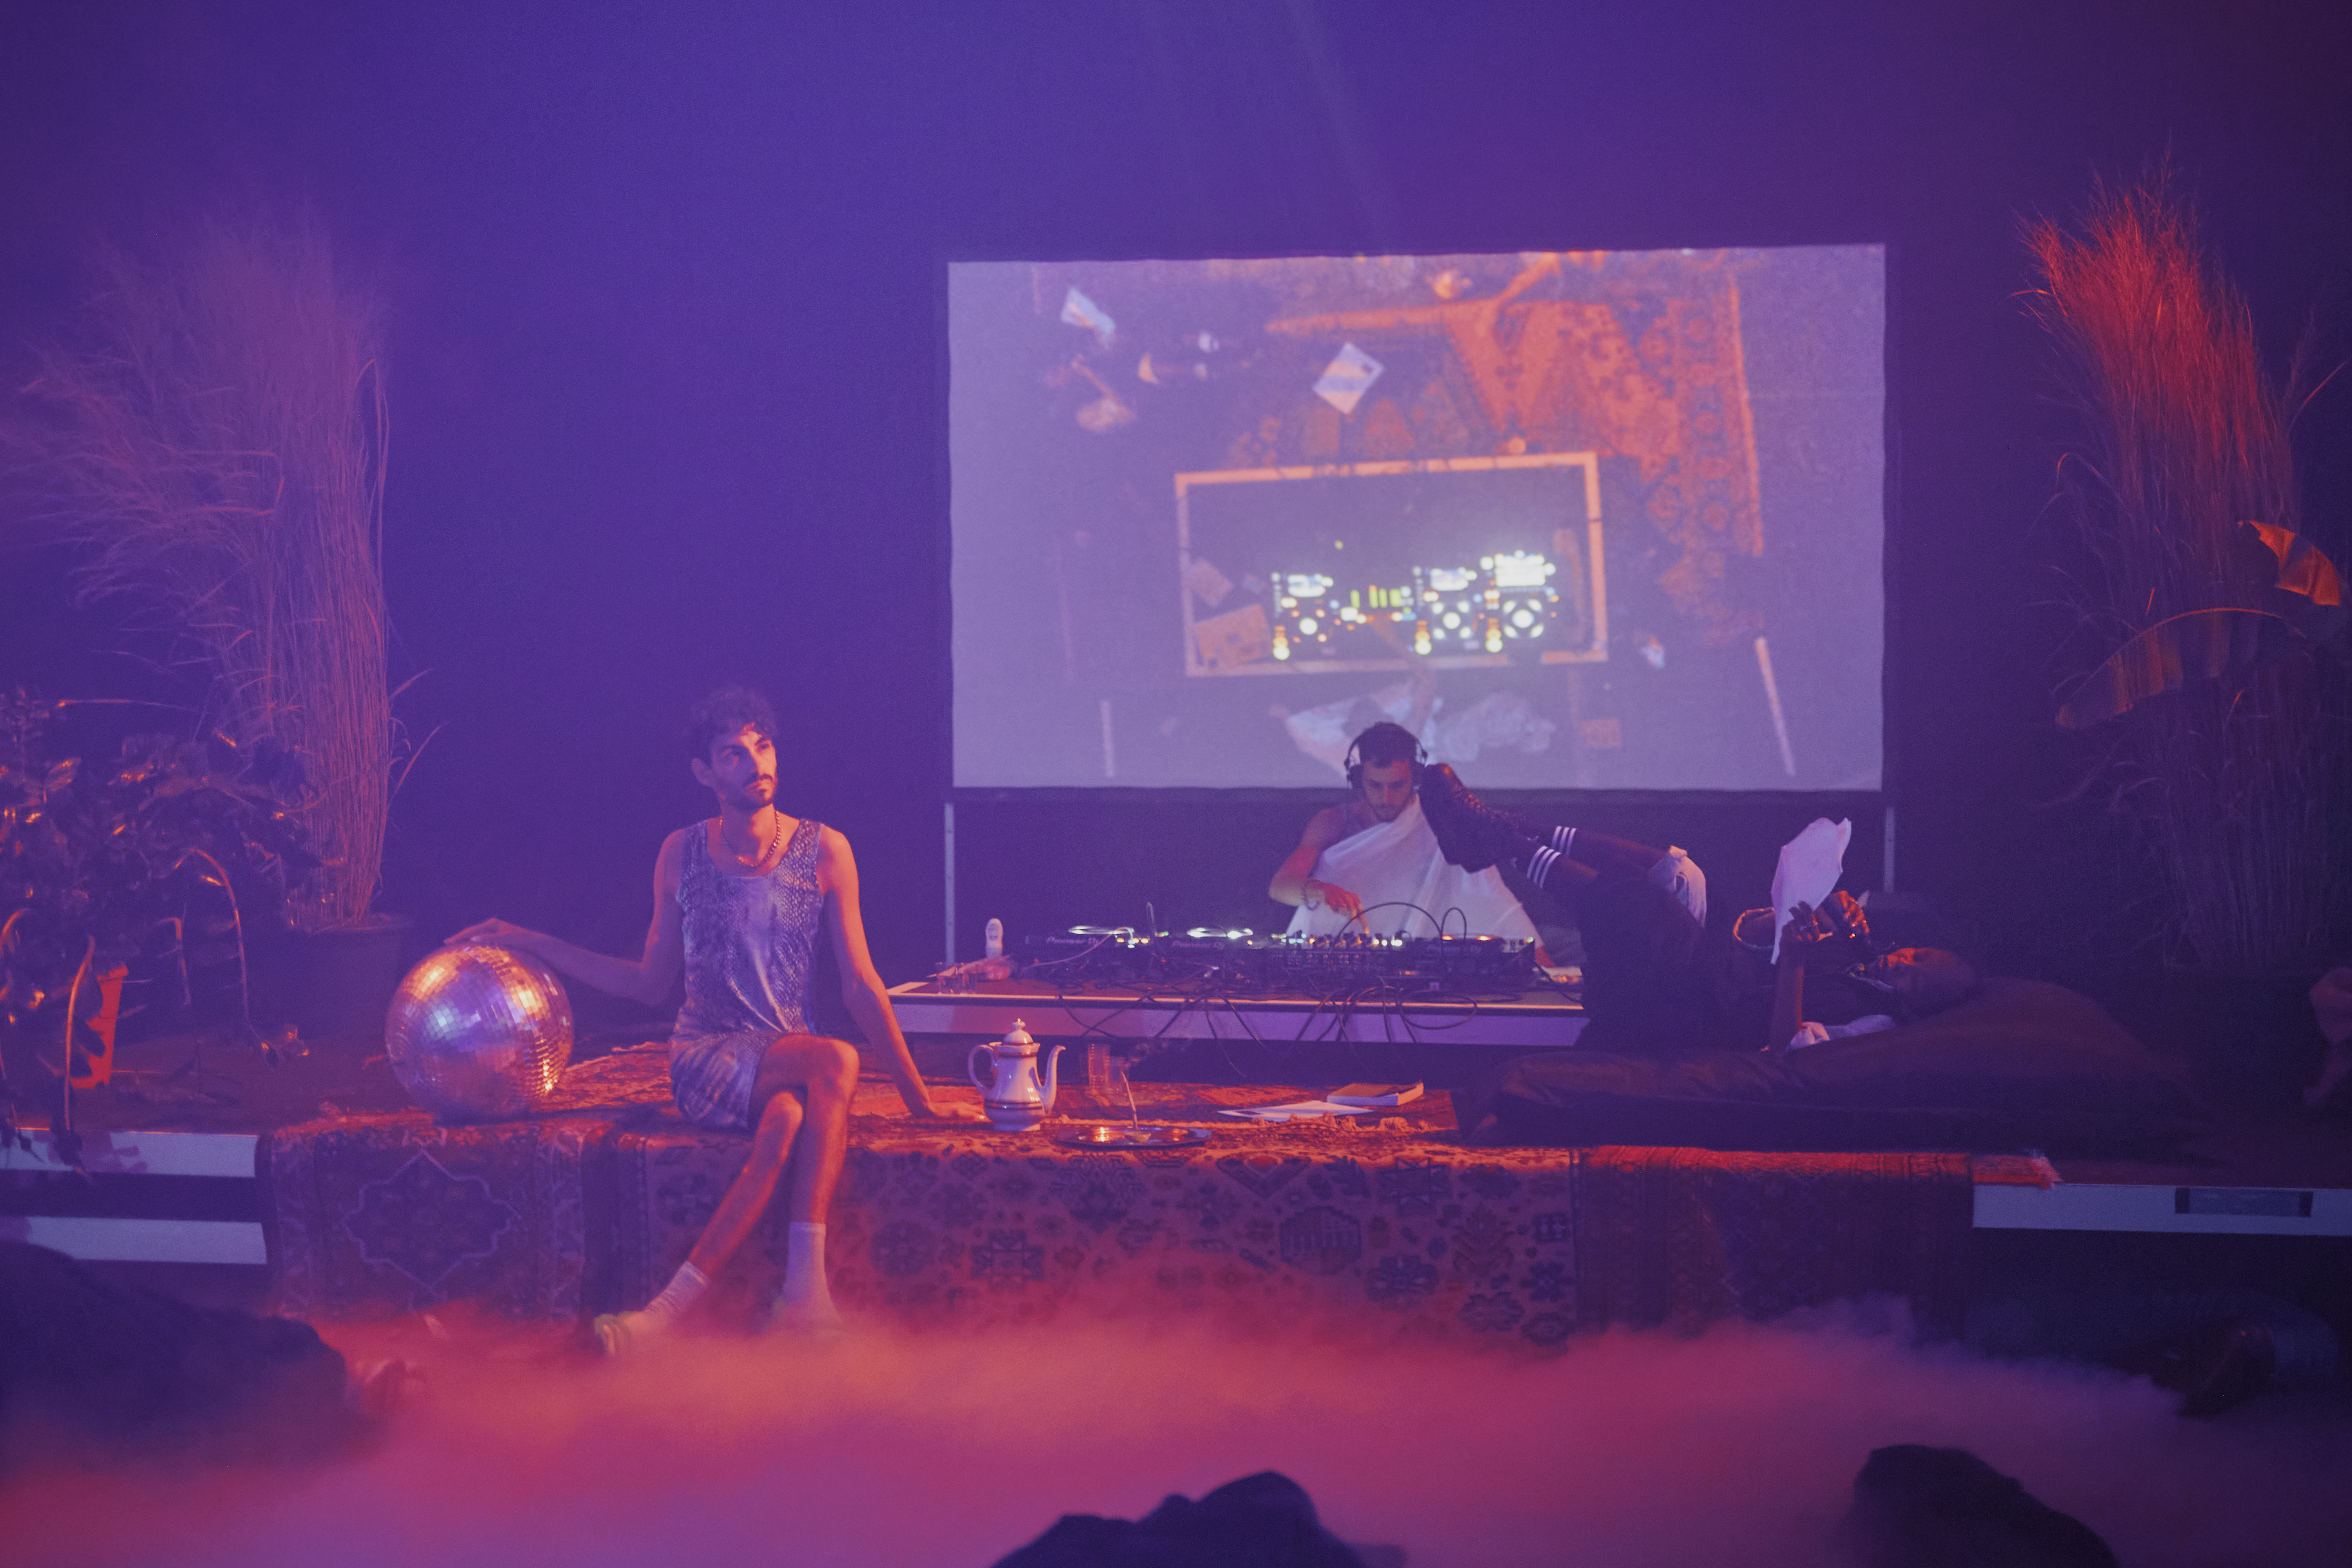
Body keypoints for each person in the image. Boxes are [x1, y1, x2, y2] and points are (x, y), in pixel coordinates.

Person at [452, 686, 977, 1350]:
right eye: (734, 753)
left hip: (786, 1059)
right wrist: (533, 941)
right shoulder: (682, 853)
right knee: (837, 1060)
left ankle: (664, 1318)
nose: (756, 763)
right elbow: (648, 984)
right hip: (707, 1054)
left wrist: (919, 1100)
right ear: (704, 773)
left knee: (787, 1121)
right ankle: (808, 1299)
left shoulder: (826, 850)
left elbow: (861, 986)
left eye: (764, 746)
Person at [1418, 763, 1977, 1051]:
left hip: (1704, 1005)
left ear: (1915, 1009)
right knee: (1684, 872)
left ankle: (1501, 842)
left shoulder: (1874, 1023)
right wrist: (1795, 913)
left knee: (1647, 909)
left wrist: (1794, 964)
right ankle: (1510, 830)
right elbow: (1748, 939)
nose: (1903, 965)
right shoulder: (1855, 944)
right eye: (1916, 955)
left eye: (1915, 979)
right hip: (1717, 963)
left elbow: (1785, 1048)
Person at [1267, 721, 1542, 947]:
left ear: (1415, 778)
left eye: (1397, 786)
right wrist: (1321, 890)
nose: (1386, 798)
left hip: (1424, 959)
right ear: (1358, 779)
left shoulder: (1437, 821)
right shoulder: (1333, 823)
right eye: (1375, 786)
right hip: (1340, 956)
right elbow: (1280, 886)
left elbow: (1489, 897)